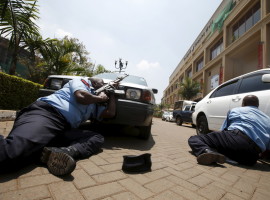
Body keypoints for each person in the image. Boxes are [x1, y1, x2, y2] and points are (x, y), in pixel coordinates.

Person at [0, 77, 116, 176]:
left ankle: (62, 152)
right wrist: (101, 98)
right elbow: (81, 96)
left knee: (97, 138)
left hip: (64, 128)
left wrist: (112, 94)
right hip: (47, 114)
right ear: (94, 83)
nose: (104, 86)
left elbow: (110, 113)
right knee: (10, 154)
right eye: (102, 84)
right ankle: (39, 151)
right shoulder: (82, 82)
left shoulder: (94, 103)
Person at [188, 95, 270, 166]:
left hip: (236, 140)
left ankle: (207, 151)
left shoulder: (236, 110)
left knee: (195, 139)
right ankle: (228, 158)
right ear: (257, 105)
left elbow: (224, 130)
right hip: (252, 157)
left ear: (243, 104)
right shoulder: (267, 119)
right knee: (228, 147)